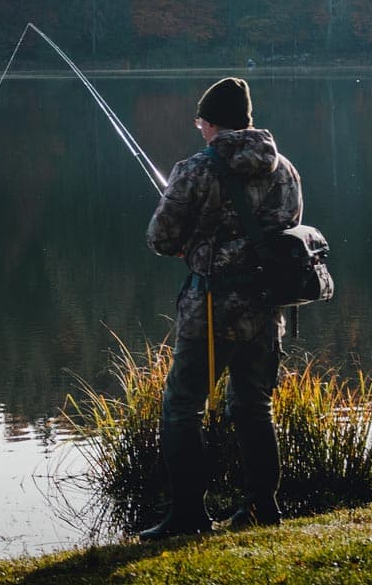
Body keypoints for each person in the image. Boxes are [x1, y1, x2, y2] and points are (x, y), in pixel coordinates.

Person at [139, 76, 303, 540]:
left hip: (210, 310)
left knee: (182, 410)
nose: (200, 130)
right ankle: (262, 508)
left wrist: (191, 243)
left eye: (201, 123)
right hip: (267, 309)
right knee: (254, 407)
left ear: (212, 124)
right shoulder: (284, 168)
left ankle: (189, 514)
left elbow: (160, 239)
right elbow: (286, 230)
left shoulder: (195, 169)